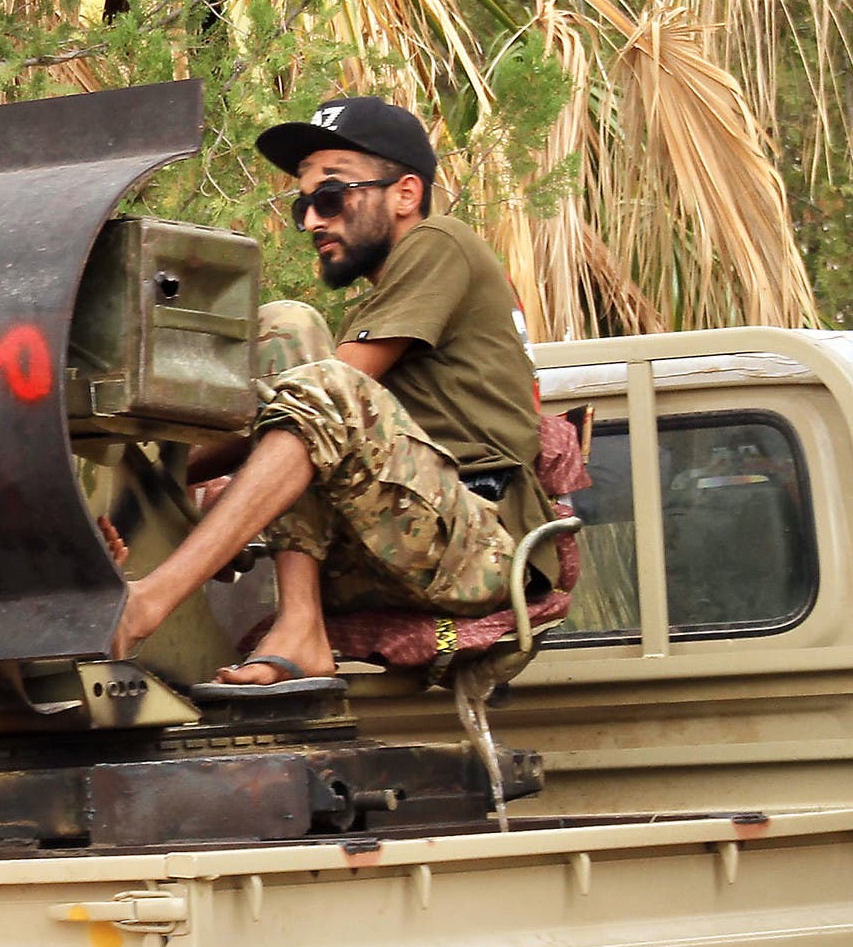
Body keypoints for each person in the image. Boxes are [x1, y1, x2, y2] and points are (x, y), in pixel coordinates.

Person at [109, 96, 555, 685]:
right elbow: (299, 415)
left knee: (324, 385)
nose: (313, 221)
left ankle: (152, 600)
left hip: (480, 547)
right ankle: (302, 626)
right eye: (304, 205)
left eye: (331, 197)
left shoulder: (440, 242)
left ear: (405, 195)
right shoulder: (382, 300)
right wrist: (152, 482)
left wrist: (192, 480)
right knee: (289, 327)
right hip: (392, 539)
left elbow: (332, 396)